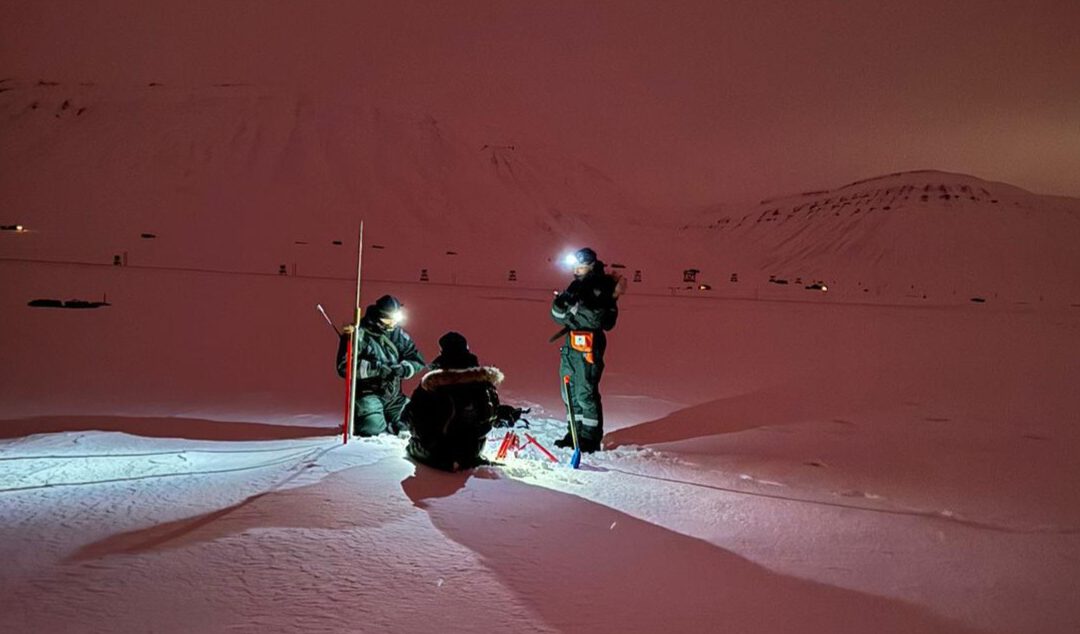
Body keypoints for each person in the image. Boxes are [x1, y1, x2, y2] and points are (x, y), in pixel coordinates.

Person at [550, 247, 624, 453]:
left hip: (589, 344)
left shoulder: (600, 286)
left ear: (591, 264)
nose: (576, 268)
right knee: (569, 392)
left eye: (580, 264)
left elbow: (596, 319)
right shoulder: (575, 285)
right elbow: (556, 315)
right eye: (574, 265)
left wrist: (572, 312)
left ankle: (589, 438)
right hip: (571, 344)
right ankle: (574, 432)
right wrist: (566, 306)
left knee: (585, 392)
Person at [402, 332, 503, 471]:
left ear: (442, 351)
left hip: (436, 454)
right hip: (471, 452)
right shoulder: (483, 382)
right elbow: (488, 414)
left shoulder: (432, 383)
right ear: (467, 349)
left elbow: (410, 415)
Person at [336, 294, 426, 436]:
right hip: (368, 395)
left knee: (420, 420)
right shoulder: (359, 334)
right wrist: (376, 369)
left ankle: (396, 421)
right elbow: (344, 367)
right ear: (378, 316)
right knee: (371, 428)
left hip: (394, 395)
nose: (391, 324)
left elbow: (417, 360)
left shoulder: (398, 334)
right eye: (387, 320)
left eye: (395, 320)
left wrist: (404, 368)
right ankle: (374, 420)